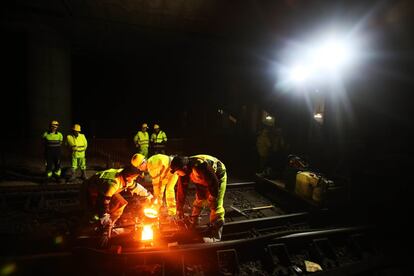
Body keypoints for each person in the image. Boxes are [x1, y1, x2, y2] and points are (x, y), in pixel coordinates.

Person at [82, 165, 153, 247]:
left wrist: (148, 195)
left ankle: (110, 226)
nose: (135, 179)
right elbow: (103, 202)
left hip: (103, 191)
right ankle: (94, 235)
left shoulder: (124, 177)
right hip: (91, 191)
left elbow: (135, 186)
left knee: (121, 203)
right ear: (128, 177)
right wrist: (104, 217)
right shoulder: (113, 183)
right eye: (134, 177)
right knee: (94, 215)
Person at [170, 154, 227, 242]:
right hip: (203, 180)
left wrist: (212, 197)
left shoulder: (200, 166)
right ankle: (193, 226)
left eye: (177, 172)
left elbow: (214, 182)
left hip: (218, 177)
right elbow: (181, 191)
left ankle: (216, 237)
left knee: (215, 206)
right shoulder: (185, 171)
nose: (177, 174)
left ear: (184, 168)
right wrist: (179, 208)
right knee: (199, 201)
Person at [131, 153, 178, 218]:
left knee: (167, 190)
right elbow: (159, 183)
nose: (140, 169)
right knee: (165, 189)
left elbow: (156, 185)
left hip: (172, 170)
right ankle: (166, 209)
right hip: (170, 169)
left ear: (143, 162)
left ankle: (169, 212)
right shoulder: (151, 160)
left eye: (140, 167)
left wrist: (155, 197)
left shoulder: (152, 167)